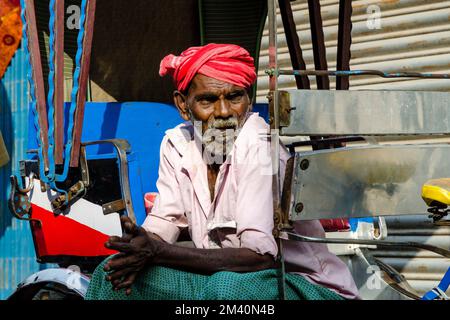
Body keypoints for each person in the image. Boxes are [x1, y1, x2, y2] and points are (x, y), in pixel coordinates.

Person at [86, 43, 359, 300]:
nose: (224, 112)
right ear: (183, 105)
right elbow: (164, 223)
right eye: (207, 101)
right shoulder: (177, 144)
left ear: (248, 101)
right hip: (225, 280)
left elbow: (259, 256)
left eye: (234, 97)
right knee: (110, 275)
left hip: (303, 285)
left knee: (226, 290)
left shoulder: (259, 145)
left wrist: (157, 251)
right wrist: (140, 247)